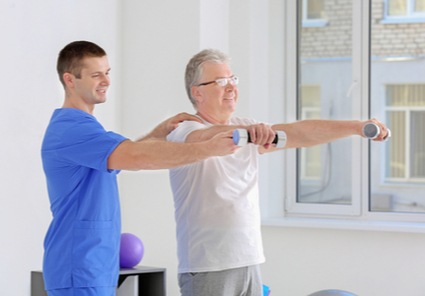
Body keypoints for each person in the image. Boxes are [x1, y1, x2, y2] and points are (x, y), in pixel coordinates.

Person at [166, 49, 390, 296]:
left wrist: (357, 127)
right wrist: (247, 133)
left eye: (232, 79)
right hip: (207, 265)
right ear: (197, 92)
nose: (230, 87)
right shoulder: (184, 130)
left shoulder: (246, 128)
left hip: (247, 259)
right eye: (220, 82)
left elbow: (300, 133)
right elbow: (204, 137)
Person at [41, 41, 238, 296]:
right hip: (77, 268)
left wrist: (158, 133)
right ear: (70, 79)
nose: (106, 80)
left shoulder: (86, 129)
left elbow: (125, 157)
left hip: (93, 268)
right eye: (96, 74)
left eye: (108, 72)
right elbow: (137, 157)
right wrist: (208, 149)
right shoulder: (71, 129)